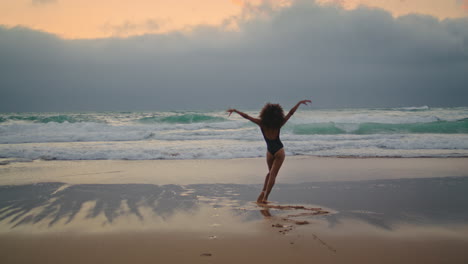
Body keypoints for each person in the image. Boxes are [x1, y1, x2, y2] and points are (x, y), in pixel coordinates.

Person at [227, 99, 311, 204]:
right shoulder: (279, 123)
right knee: (272, 174)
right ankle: (265, 195)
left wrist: (235, 110)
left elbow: (247, 116)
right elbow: (290, 113)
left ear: (265, 113)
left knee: (270, 173)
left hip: (269, 152)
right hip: (279, 151)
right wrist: (299, 103)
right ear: (278, 114)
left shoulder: (261, 123)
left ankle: (264, 194)